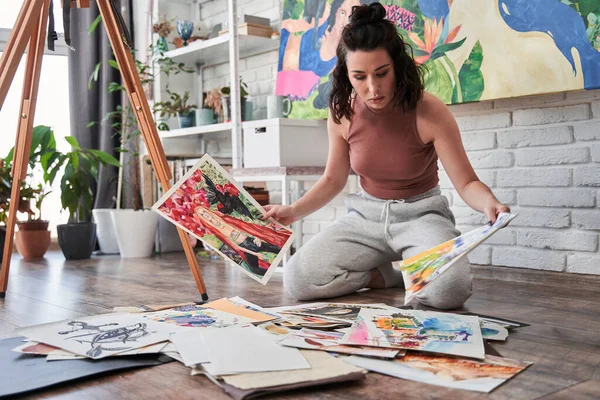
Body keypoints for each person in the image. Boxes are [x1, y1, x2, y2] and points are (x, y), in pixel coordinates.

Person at [263, 2, 510, 310]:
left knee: (449, 290)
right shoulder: (342, 112)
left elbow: (467, 182)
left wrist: (489, 202)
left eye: (382, 73)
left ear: (397, 65)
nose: (373, 88)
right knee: (298, 280)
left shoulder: (429, 110)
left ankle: (413, 269)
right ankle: (385, 276)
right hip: (366, 219)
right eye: (360, 77)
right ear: (346, 75)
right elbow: (333, 179)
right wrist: (294, 211)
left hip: (422, 216)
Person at [194, 207, 285, 276]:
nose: (205, 214)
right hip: (244, 247)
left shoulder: (224, 219)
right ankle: (272, 274)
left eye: (204, 212)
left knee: (279, 249)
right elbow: (235, 246)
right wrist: (255, 254)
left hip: (252, 240)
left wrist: (256, 237)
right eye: (202, 214)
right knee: (253, 269)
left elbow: (246, 228)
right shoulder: (216, 230)